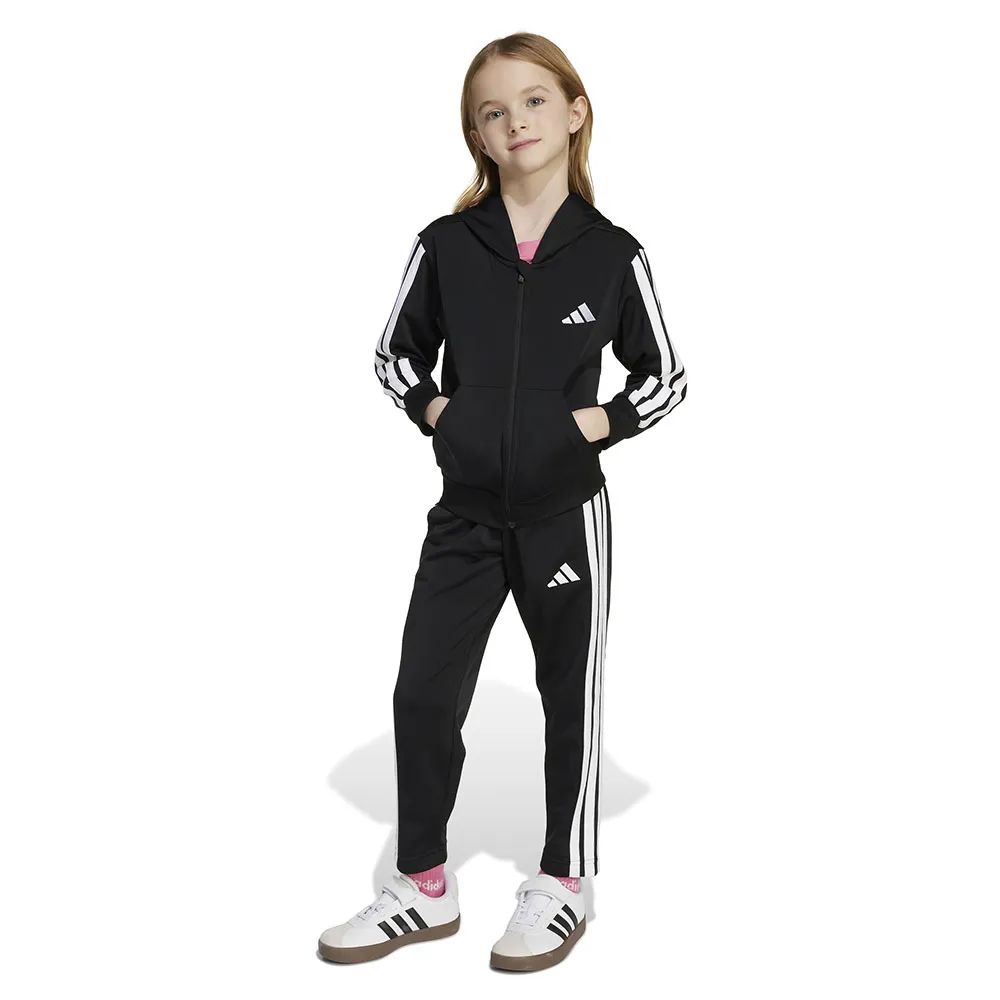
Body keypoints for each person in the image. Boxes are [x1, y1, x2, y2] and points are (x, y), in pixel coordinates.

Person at [319, 31, 687, 972]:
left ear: (574, 113)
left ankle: (564, 882)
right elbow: (393, 353)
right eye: (493, 111)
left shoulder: (611, 253)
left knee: (570, 695)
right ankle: (422, 885)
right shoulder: (447, 245)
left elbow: (668, 375)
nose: (514, 120)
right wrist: (438, 410)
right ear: (477, 136)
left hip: (566, 512)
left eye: (532, 100)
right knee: (422, 690)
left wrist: (595, 425)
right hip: (466, 513)